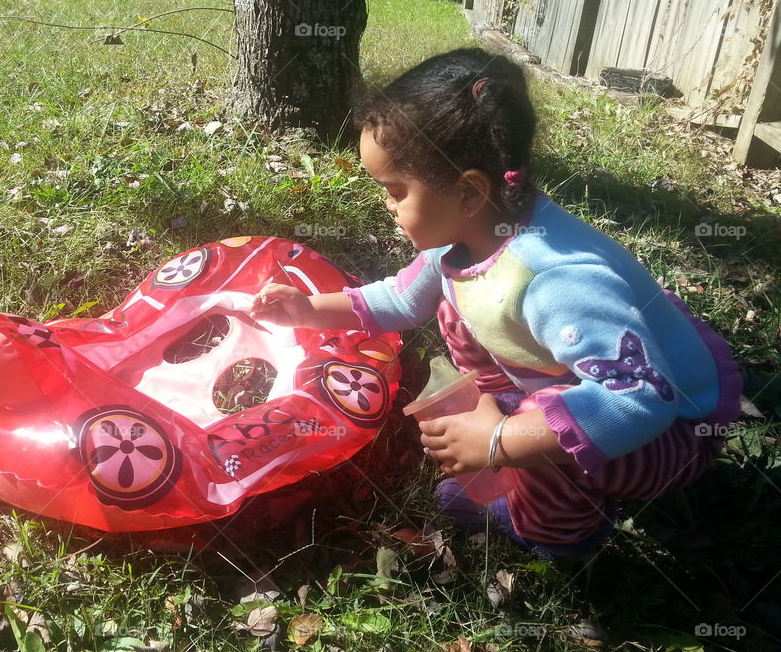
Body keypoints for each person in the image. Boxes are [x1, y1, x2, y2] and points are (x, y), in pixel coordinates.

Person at [249, 48, 741, 558]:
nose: (388, 206)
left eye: (395, 191)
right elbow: (399, 297)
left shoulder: (556, 280)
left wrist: (502, 441)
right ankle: (519, 412)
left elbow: (641, 397)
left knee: (552, 452)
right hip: (589, 380)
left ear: (468, 193)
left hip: (671, 431)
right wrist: (308, 309)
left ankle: (559, 533)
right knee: (449, 305)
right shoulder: (465, 238)